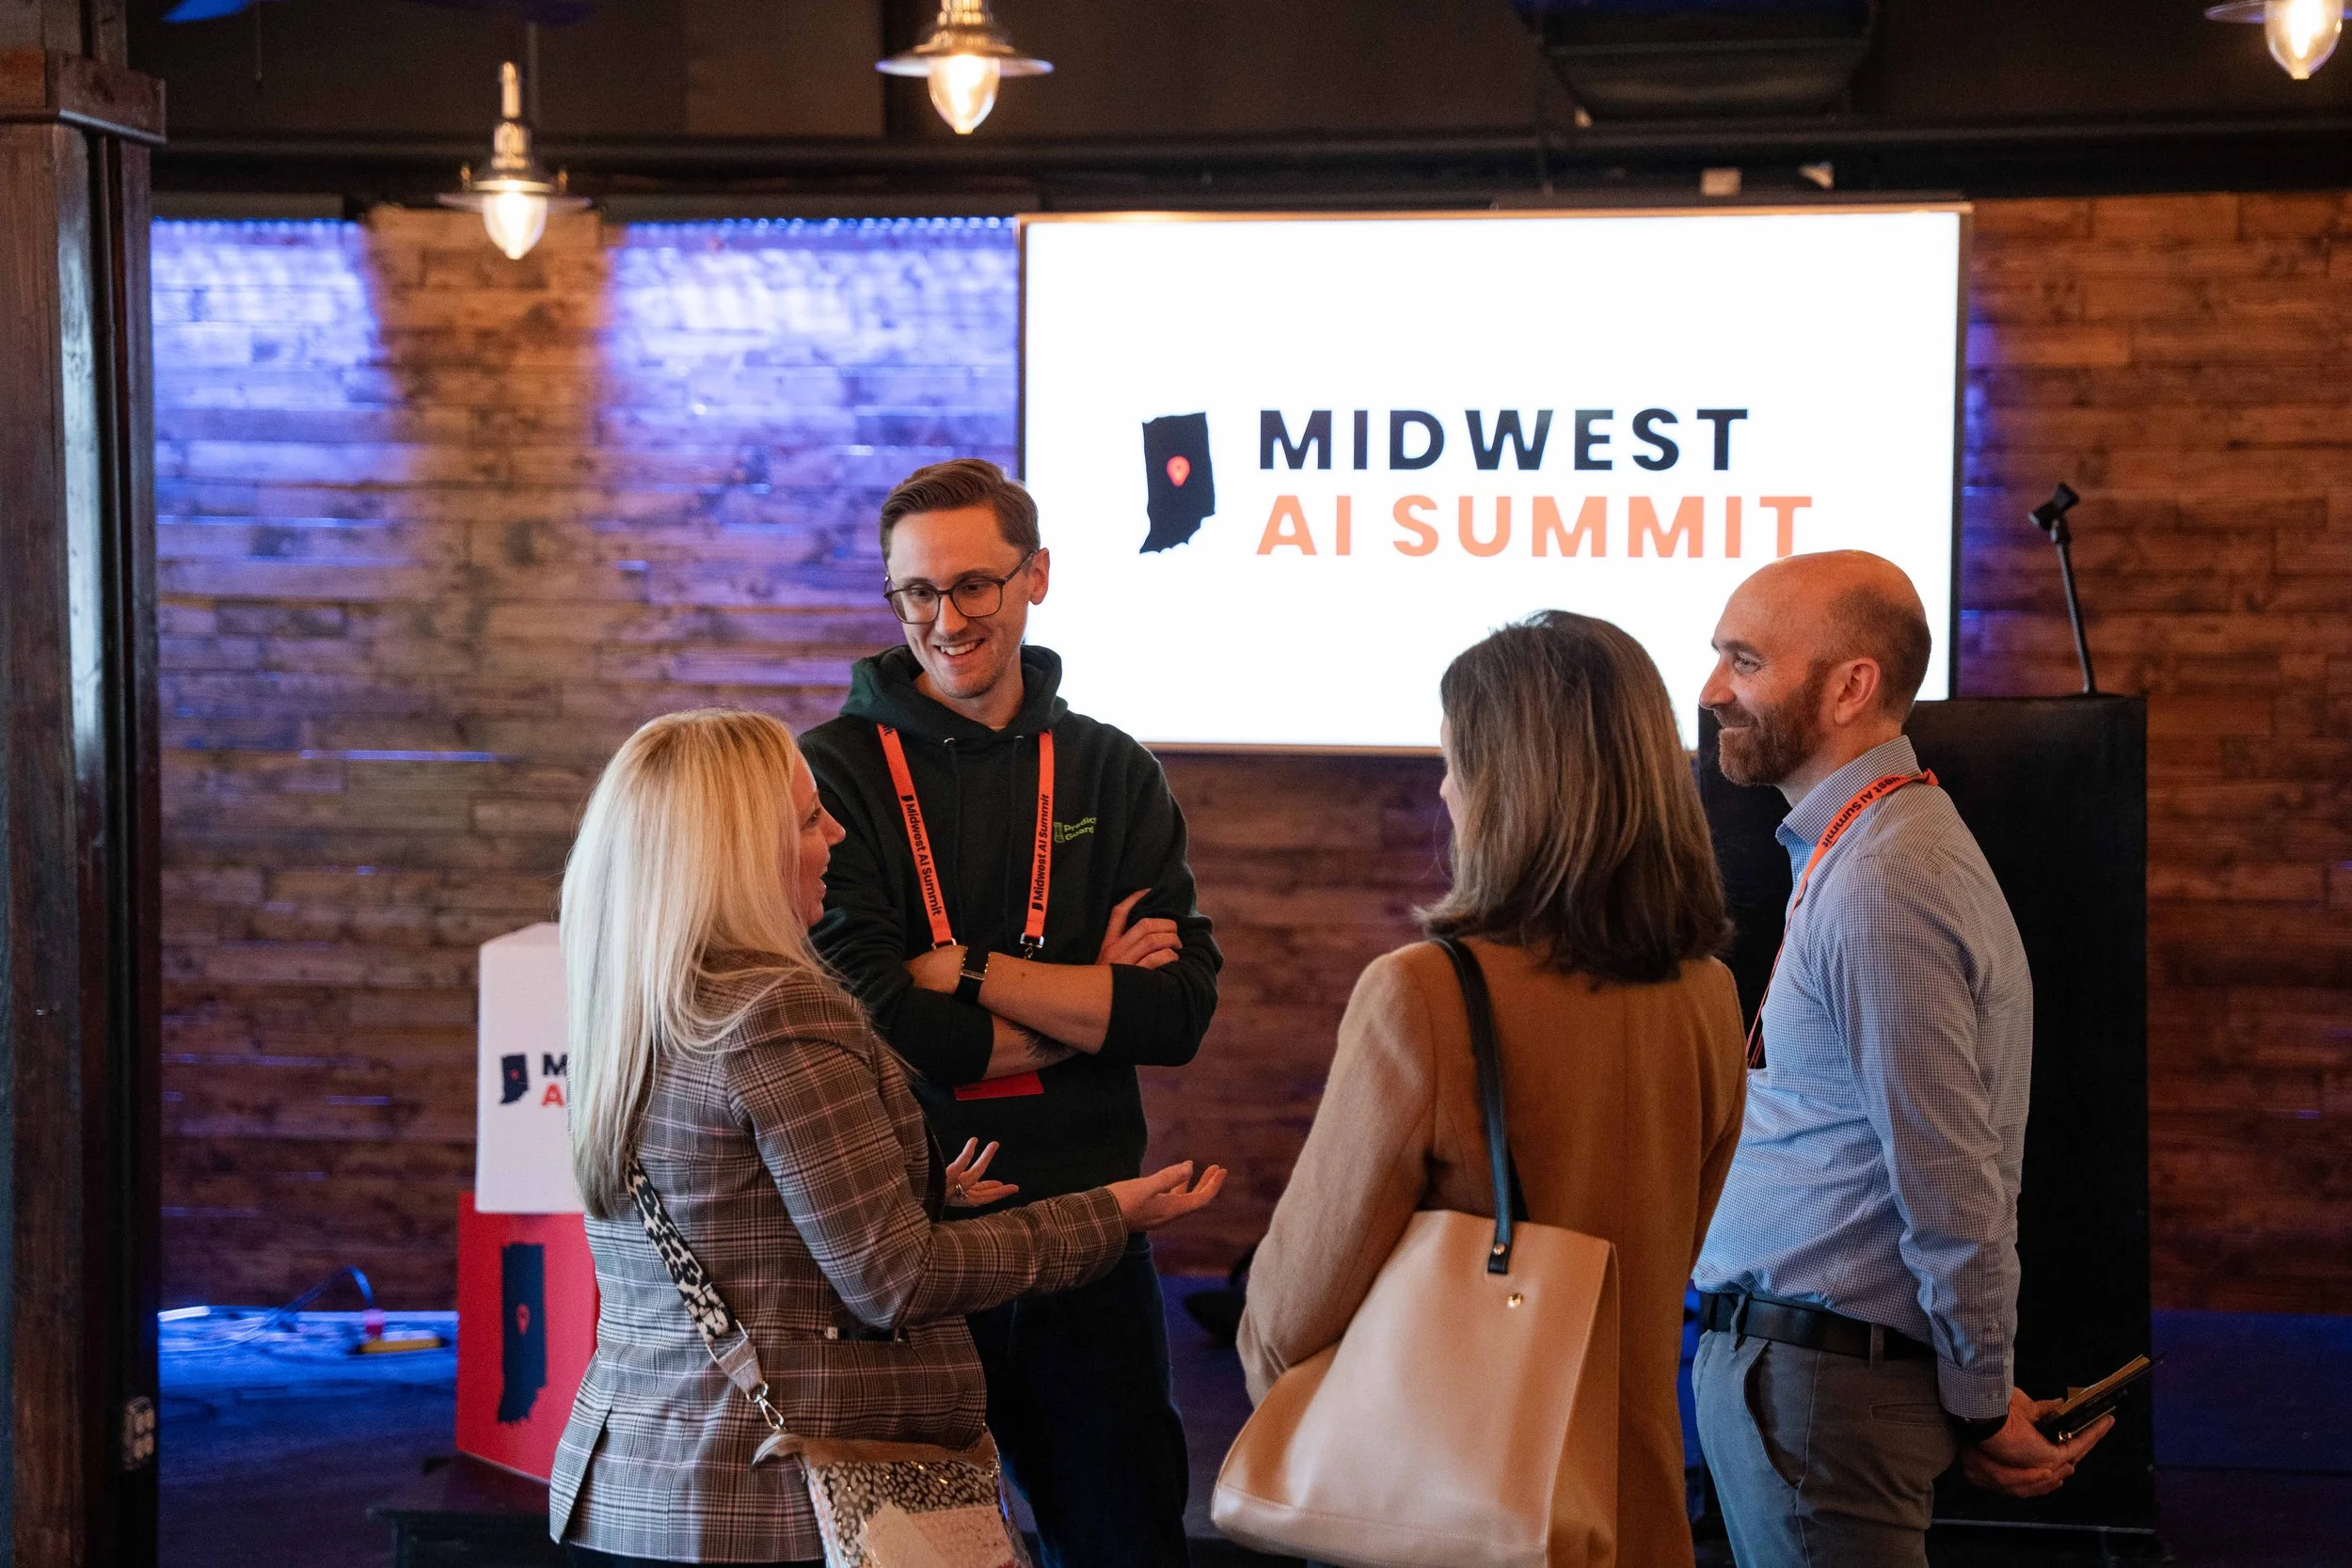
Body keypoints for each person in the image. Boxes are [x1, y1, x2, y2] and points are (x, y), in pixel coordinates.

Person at [548, 707, 1225, 1568]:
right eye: (806, 819)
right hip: (769, 1506)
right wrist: (1108, 1213)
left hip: (631, 1491)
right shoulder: (782, 1013)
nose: (835, 831)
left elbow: (732, 1214)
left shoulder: (635, 1005)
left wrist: (927, 1191)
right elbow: (897, 1280)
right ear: (739, 852)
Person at [1238, 611, 1750, 1568]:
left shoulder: (1422, 994)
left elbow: (1294, 1304)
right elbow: (1675, 1243)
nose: (1441, 786)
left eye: (1453, 759)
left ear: (1503, 783)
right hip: (1633, 1508)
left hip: (1457, 1505)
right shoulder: (1709, 994)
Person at [799, 459, 1222, 1568]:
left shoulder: (1109, 770)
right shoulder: (830, 772)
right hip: (910, 1244)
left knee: (1126, 1541)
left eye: (975, 585)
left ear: (1036, 576)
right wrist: (1087, 994)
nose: (947, 620)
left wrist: (962, 970)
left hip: (1092, 1229)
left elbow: (1173, 1012)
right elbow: (879, 1014)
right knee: (916, 1557)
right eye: (917, 593)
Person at [1691, 551, 2112, 1568]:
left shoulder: (1885, 874)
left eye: (1743, 660)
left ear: (1850, 685)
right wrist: (1969, 1386)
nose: (1710, 693)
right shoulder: (1862, 846)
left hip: (1825, 1397)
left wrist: (1975, 1396)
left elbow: (1946, 1169)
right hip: (1820, 1386)